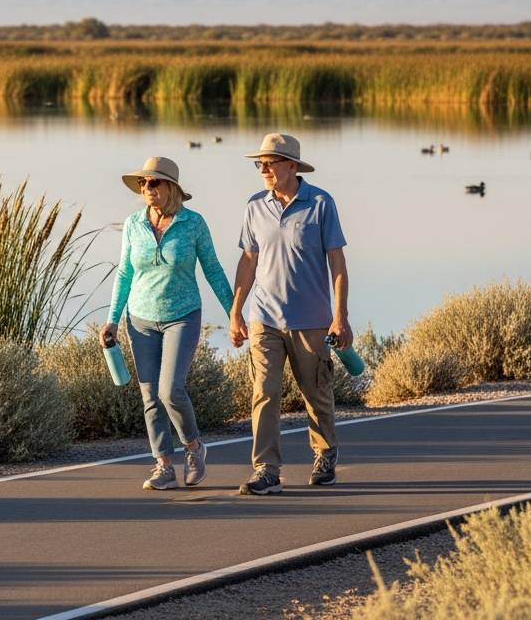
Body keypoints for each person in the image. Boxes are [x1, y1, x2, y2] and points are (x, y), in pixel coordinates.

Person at [228, 133, 350, 495]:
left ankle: (325, 454)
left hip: (311, 319)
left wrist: (339, 315)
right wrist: (236, 312)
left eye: (271, 162)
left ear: (292, 166)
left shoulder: (321, 204)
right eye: (260, 163)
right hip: (264, 317)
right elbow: (248, 260)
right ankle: (266, 469)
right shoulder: (255, 206)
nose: (263, 169)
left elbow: (338, 263)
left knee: (316, 393)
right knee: (264, 392)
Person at [102, 157, 234, 491]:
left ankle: (193, 448)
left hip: (183, 315)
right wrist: (112, 320)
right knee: (149, 396)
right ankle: (163, 465)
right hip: (140, 319)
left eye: (155, 183)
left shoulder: (193, 223)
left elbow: (213, 270)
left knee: (170, 389)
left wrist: (234, 312)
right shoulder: (134, 224)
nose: (148, 188)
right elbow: (124, 273)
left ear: (171, 187)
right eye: (144, 183)